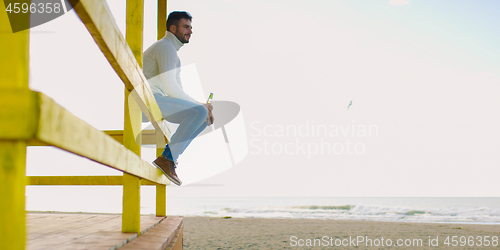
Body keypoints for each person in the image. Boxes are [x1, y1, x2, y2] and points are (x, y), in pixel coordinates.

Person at [143, 11, 214, 186]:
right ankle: (167, 158)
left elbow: (177, 89)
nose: (190, 31)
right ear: (173, 28)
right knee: (200, 111)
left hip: (157, 102)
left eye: (190, 27)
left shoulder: (173, 54)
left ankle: (169, 159)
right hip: (147, 101)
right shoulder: (165, 47)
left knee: (203, 117)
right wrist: (200, 105)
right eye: (185, 27)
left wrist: (201, 108)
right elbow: (170, 87)